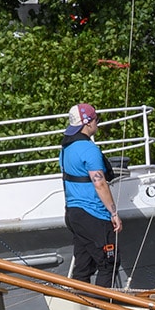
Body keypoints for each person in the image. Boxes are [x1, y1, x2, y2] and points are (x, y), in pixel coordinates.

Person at [59, 102, 121, 287]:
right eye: (96, 119)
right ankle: (102, 309)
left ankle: (81, 306)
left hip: (74, 214)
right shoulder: (89, 149)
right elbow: (100, 183)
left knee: (83, 266)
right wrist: (114, 213)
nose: (97, 123)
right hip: (93, 214)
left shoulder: (66, 149)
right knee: (109, 263)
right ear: (87, 123)